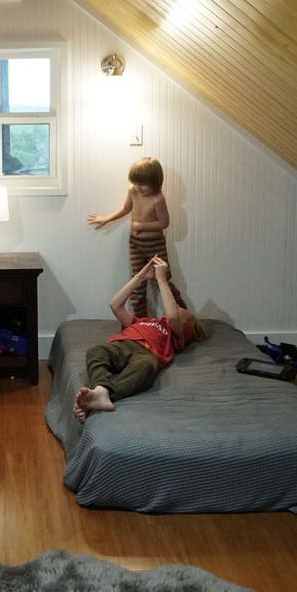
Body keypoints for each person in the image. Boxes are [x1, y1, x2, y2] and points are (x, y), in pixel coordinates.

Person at [73, 257, 206, 422]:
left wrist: (161, 279)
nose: (176, 308)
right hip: (122, 344)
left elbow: (172, 317)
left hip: (146, 354)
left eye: (180, 310)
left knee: (146, 367)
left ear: (187, 327)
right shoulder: (145, 321)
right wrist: (140, 277)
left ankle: (103, 393)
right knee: (96, 351)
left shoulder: (175, 333)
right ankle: (100, 390)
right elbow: (115, 305)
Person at [87, 156, 186, 316]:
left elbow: (164, 223)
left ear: (155, 183)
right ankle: (140, 322)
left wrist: (141, 225)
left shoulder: (158, 199)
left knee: (163, 281)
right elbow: (125, 208)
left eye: (143, 184)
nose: (138, 188)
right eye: (136, 183)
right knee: (136, 284)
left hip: (155, 245)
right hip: (136, 244)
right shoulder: (133, 191)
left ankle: (182, 313)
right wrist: (106, 218)